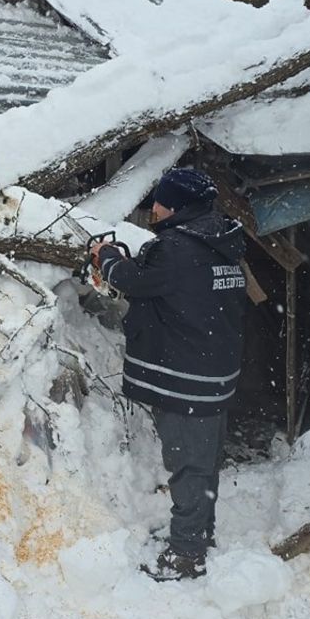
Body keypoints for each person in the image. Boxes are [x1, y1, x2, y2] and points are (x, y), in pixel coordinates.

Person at [93, 168, 246, 580]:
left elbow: (130, 281)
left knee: (188, 466)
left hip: (187, 378)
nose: (153, 208)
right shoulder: (222, 239)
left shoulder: (177, 248)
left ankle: (186, 554)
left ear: (176, 205)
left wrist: (107, 257)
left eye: (159, 201)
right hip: (214, 369)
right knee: (205, 462)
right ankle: (198, 533)